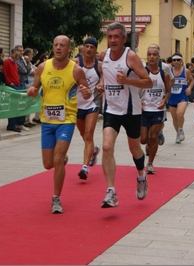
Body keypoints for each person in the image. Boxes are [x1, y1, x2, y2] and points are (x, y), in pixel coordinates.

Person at [27, 35, 90, 214]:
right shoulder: (42, 67)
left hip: (67, 120)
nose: (58, 48)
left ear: (69, 49)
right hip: (47, 121)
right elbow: (34, 87)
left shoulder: (76, 70)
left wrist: (86, 92)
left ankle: (56, 198)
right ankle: (61, 160)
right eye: (55, 45)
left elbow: (87, 92)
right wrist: (32, 91)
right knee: (48, 164)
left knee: (57, 159)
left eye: (62, 45)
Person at [96, 22, 153, 208]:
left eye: (116, 37)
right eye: (109, 36)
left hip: (131, 110)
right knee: (106, 147)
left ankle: (141, 176)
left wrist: (128, 80)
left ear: (123, 38)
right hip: (111, 109)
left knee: (134, 148)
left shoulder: (131, 57)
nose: (112, 40)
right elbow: (106, 74)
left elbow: (148, 82)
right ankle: (111, 192)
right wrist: (101, 84)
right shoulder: (104, 56)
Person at [72, 37, 102, 180]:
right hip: (77, 105)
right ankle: (94, 150)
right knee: (84, 135)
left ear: (96, 50)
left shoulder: (99, 66)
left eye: (92, 47)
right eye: (87, 46)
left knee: (89, 135)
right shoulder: (75, 63)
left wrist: (101, 84)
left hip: (92, 103)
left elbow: (105, 78)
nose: (89, 49)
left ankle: (84, 167)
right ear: (83, 48)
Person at [140, 46, 170, 174]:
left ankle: (150, 163)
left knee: (153, 137)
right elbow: (135, 89)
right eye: (149, 54)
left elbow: (168, 91)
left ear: (158, 57)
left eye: (154, 54)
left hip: (158, 109)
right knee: (143, 139)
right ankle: (150, 144)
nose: (151, 56)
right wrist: (138, 100)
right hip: (144, 109)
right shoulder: (142, 73)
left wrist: (165, 99)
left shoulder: (165, 74)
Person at [168, 53, 194, 144]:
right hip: (172, 97)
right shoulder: (168, 71)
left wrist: (189, 88)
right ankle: (178, 133)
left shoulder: (186, 71)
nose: (176, 61)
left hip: (182, 96)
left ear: (181, 61)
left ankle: (181, 129)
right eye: (174, 60)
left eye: (178, 60)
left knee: (180, 114)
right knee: (174, 118)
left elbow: (192, 80)